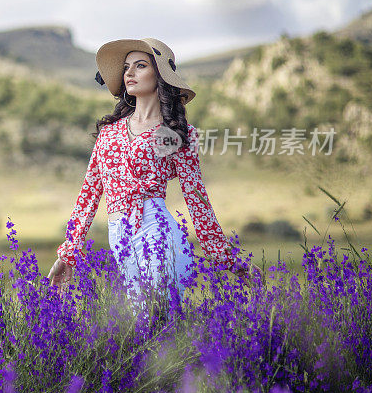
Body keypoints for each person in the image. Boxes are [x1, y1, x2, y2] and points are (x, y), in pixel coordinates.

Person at [47, 38, 252, 298]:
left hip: (157, 232)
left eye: (140, 65)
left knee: (160, 321)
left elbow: (197, 199)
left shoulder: (173, 134)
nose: (129, 72)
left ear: (161, 76)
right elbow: (88, 196)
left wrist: (227, 258)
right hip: (119, 240)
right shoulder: (109, 133)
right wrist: (67, 254)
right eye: (126, 67)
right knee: (145, 329)